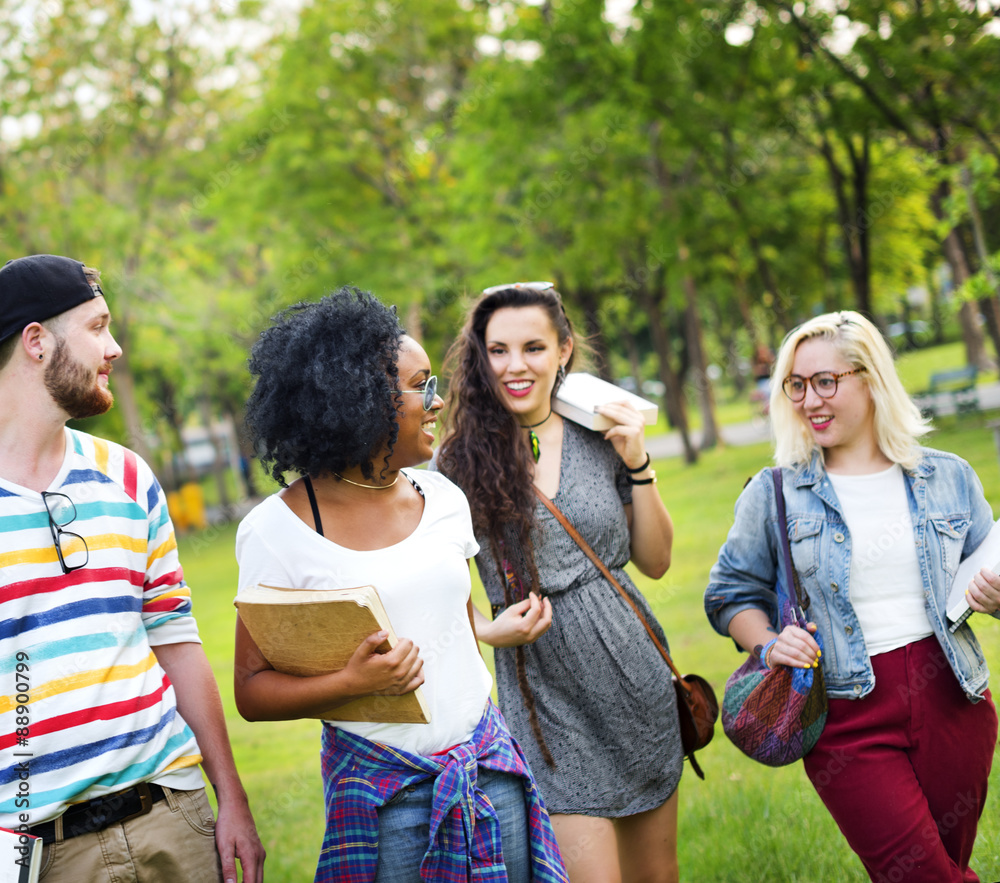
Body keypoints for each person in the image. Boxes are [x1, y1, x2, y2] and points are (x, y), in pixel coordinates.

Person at [232, 287, 567, 883]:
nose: (437, 403)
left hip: (488, 773)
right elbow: (252, 692)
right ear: (359, 400)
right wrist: (351, 683)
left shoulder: (442, 498)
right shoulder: (275, 530)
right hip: (388, 802)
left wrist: (492, 631)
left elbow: (455, 625)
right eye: (422, 386)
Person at [705, 310, 999, 882]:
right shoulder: (777, 491)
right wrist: (769, 643)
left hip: (954, 699)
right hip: (848, 715)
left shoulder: (949, 476)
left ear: (871, 380)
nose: (808, 399)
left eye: (825, 381)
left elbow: (988, 565)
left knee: (947, 866)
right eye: (796, 384)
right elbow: (730, 593)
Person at [0, 254, 264, 883]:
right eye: (97, 327)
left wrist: (231, 797)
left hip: (172, 816)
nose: (113, 347)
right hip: (34, 852)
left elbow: (175, 639)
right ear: (37, 342)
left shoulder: (127, 475)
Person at [435, 282, 682, 883]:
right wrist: (490, 630)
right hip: (547, 703)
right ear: (479, 357)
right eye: (498, 350)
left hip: (635, 680)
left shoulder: (603, 436)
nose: (515, 365)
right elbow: (434, 590)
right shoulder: (455, 465)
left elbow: (655, 561)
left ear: (564, 350)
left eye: (533, 347)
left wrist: (638, 464)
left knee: (659, 876)